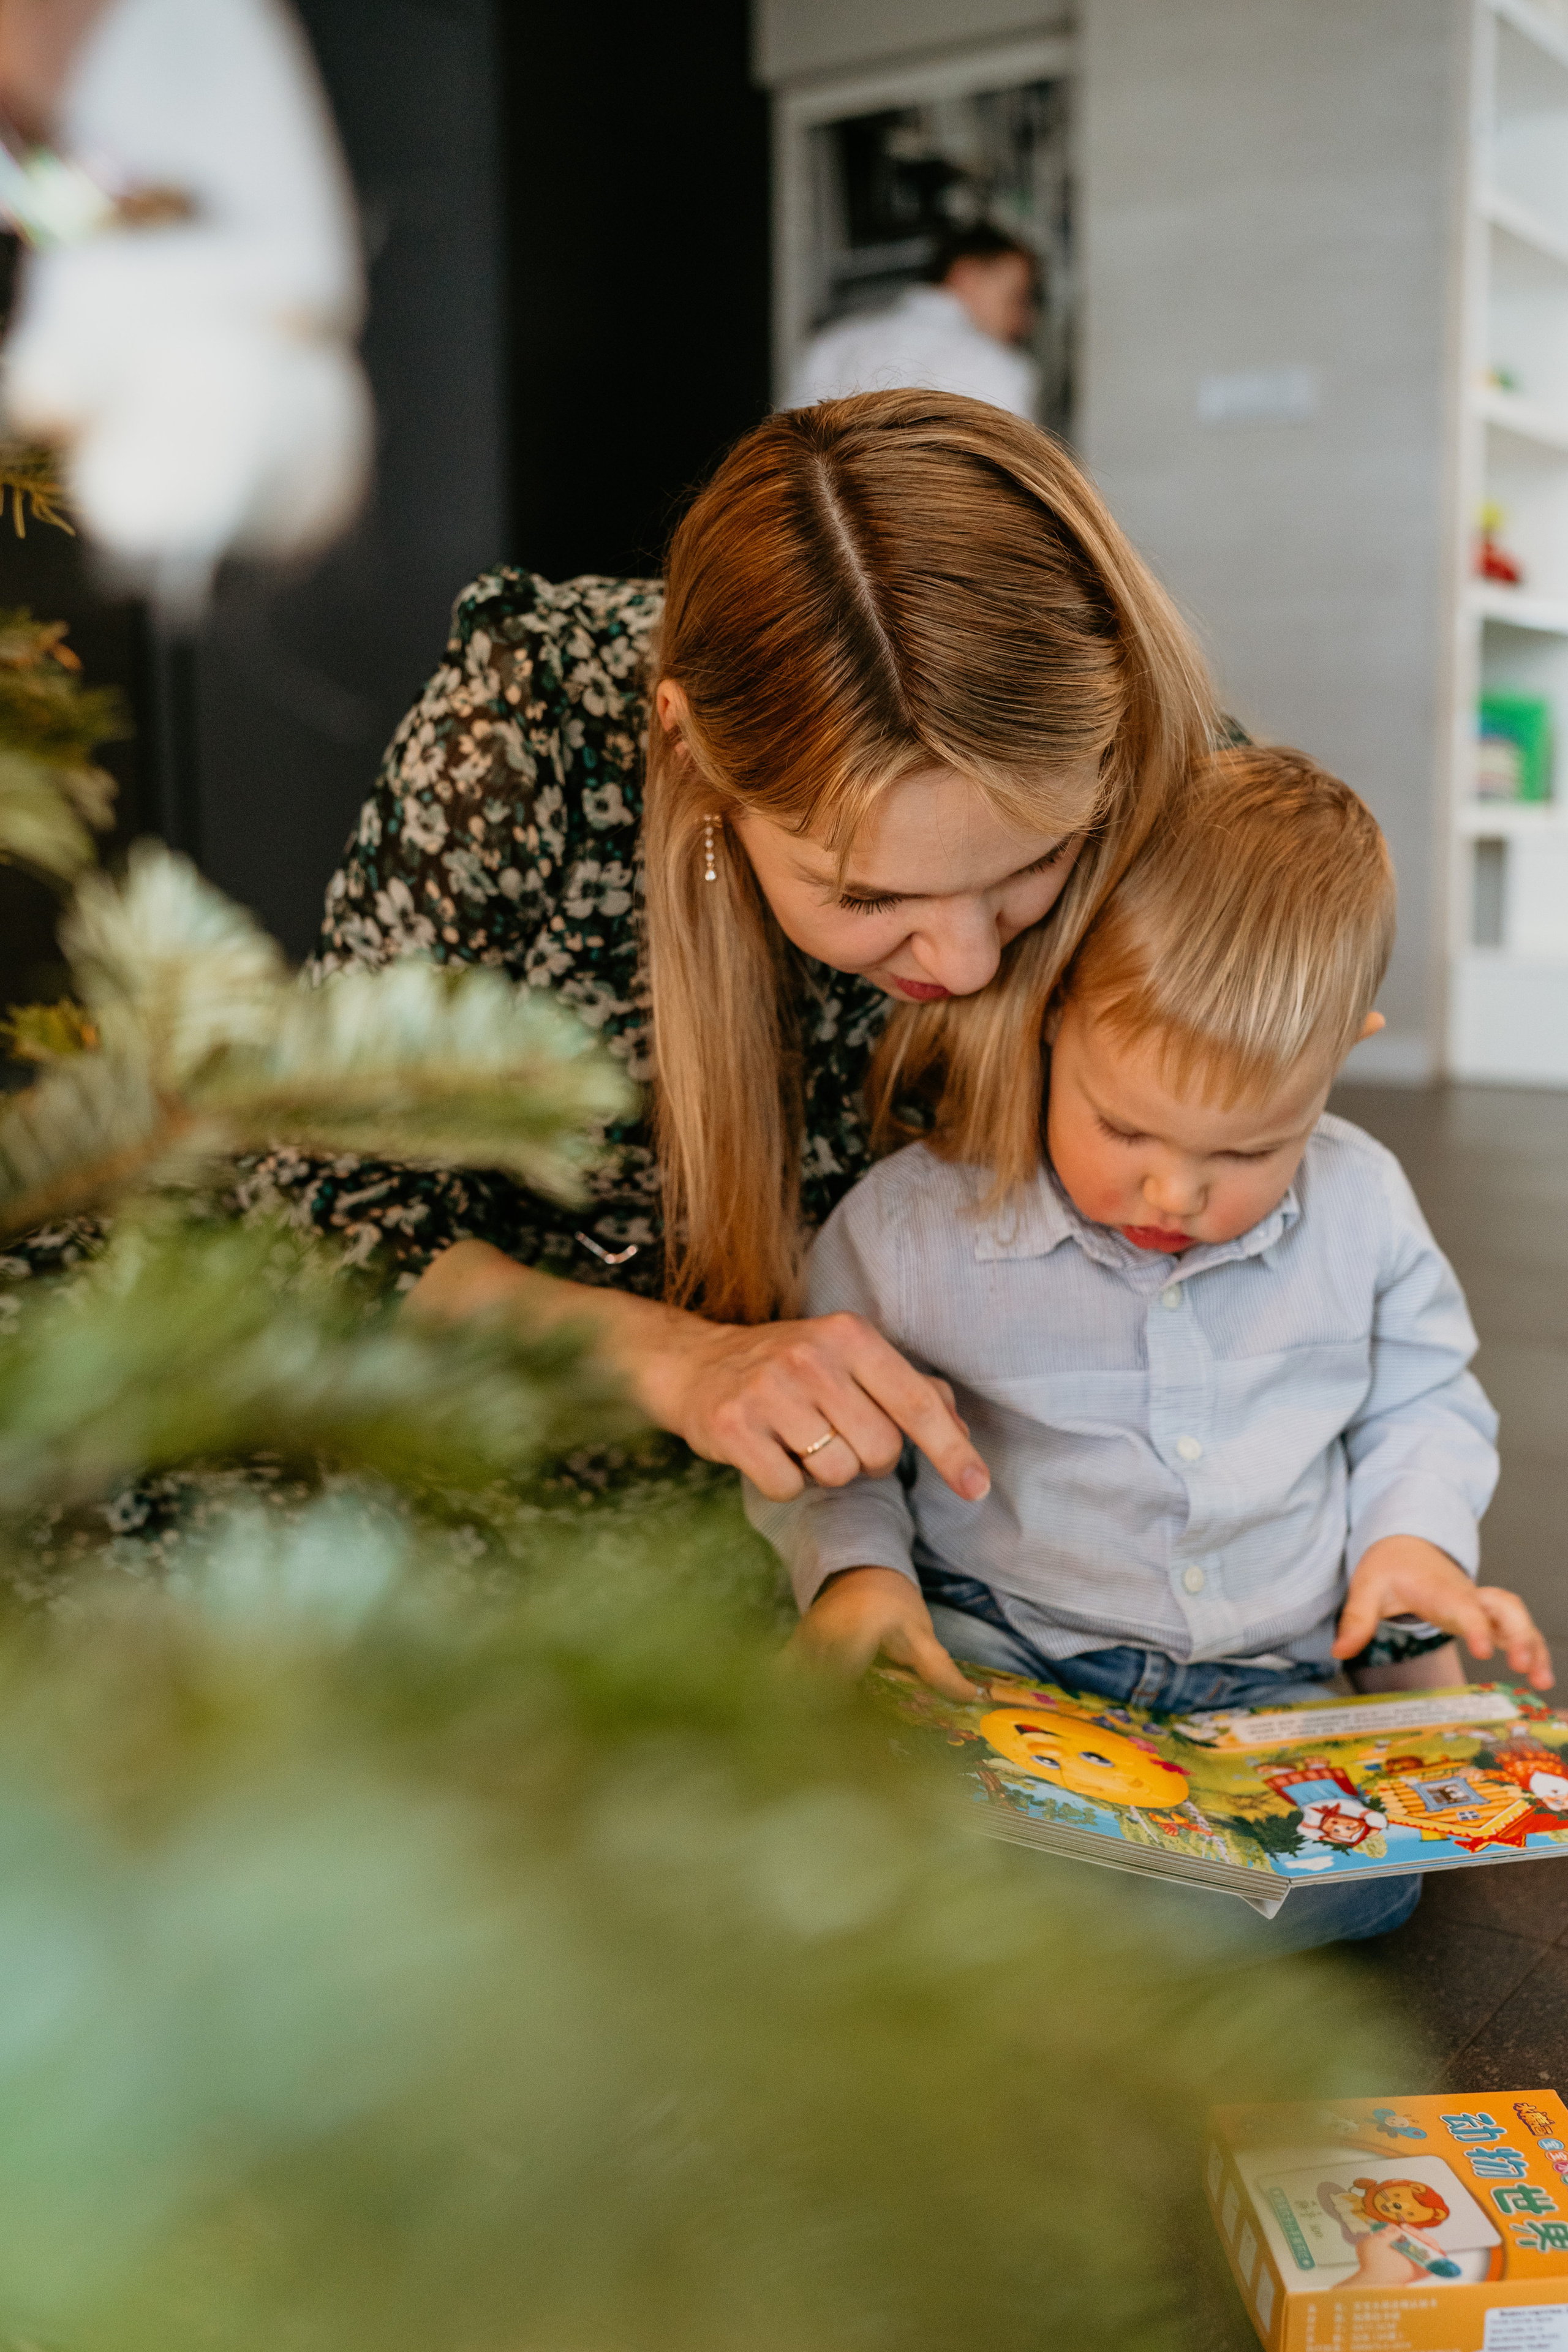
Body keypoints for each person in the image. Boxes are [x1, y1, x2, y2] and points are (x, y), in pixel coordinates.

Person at [249, 390, 1217, 1526]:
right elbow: (326, 1213)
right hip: (538, 1441)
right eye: (869, 895)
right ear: (687, 748)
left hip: (969, 1490)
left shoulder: (1137, 736)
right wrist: (682, 1362)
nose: (963, 966)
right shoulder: (529, 736)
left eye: (1036, 863)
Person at [751, 747, 1553, 1948]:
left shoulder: (1364, 1206)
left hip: (1266, 1676)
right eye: (1124, 1128)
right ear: (1055, 1010)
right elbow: (839, 1448)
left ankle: (1084, 1913)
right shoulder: (910, 1230)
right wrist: (860, 1576)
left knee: (1370, 1878)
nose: (1174, 1192)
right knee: (844, 1790)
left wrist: (1410, 1546)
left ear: (1340, 1054)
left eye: (1248, 1151)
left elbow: (1422, 1402)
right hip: (1007, 1649)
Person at [786, 224, 1040, 421]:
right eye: (1016, 298)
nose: (1024, 322)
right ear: (967, 276)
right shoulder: (997, 367)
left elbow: (791, 449)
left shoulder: (836, 343)